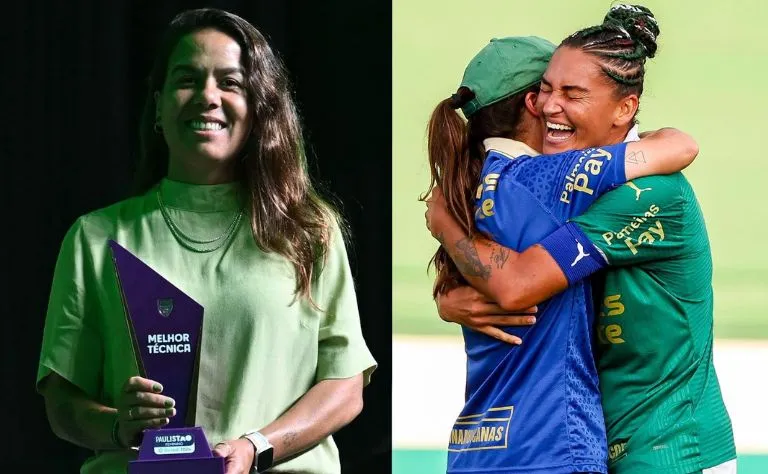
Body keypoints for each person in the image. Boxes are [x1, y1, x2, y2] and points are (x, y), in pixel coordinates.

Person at [36, 8, 376, 474]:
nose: (207, 96)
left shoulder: (309, 230)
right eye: (187, 80)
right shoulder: (94, 238)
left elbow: (345, 385)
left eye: (230, 82)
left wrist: (257, 446)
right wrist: (119, 425)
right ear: (157, 106)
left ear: (258, 106)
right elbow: (62, 403)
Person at [429, 4, 736, 474]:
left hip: (670, 449)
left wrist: (444, 223)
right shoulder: (564, 184)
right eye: (545, 90)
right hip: (595, 443)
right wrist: (451, 296)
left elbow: (517, 282)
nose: (551, 106)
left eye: (573, 94)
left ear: (624, 108)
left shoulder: (649, 192)